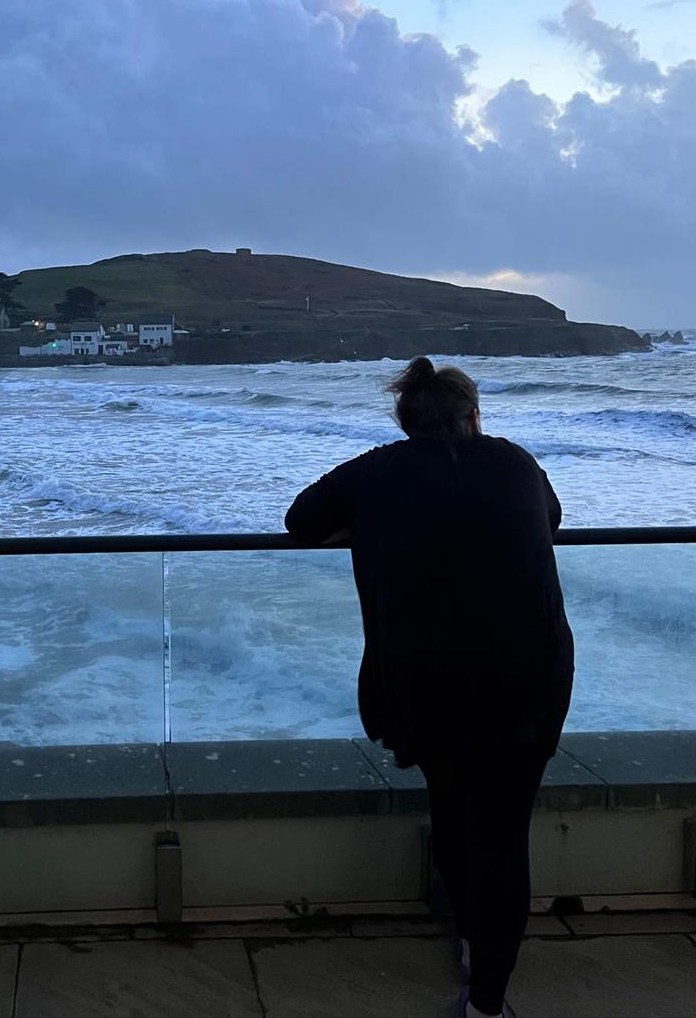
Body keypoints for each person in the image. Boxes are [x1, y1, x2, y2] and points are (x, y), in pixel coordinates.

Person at [284, 356, 573, 1018]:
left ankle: (473, 939)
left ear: (405, 421)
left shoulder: (379, 469)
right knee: (503, 831)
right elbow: (549, 521)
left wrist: (375, 528)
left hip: (424, 678)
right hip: (531, 674)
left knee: (451, 802)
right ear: (473, 417)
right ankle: (488, 996)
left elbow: (300, 519)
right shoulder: (517, 462)